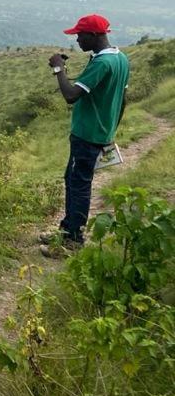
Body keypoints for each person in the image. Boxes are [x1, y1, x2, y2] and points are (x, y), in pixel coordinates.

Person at [41, 14, 130, 258]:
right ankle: (67, 229)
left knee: (79, 185)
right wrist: (110, 131)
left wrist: (59, 68)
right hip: (99, 133)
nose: (77, 40)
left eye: (80, 35)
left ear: (94, 35)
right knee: (72, 178)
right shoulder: (120, 59)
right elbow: (123, 100)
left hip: (87, 135)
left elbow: (71, 95)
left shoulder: (102, 63)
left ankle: (73, 241)